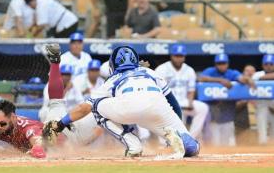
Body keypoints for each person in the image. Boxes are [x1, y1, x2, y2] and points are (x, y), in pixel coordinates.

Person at [43, 46, 199, 159]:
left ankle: (133, 143)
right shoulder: (151, 72)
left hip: (128, 111)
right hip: (159, 109)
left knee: (96, 106)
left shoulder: (112, 79)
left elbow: (84, 108)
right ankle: (182, 139)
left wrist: (61, 123)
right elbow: (173, 103)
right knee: (192, 148)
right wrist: (178, 127)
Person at [198, 53, 255, 146]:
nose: (221, 65)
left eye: (223, 63)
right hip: (214, 119)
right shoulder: (210, 71)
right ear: (215, 64)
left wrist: (248, 79)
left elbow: (241, 78)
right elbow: (201, 78)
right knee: (215, 146)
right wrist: (220, 80)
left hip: (228, 118)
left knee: (228, 147)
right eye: (219, 63)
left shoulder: (231, 73)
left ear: (227, 63)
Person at [155, 44, 209, 140]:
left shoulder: (189, 70)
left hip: (183, 101)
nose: (179, 58)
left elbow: (191, 90)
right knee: (170, 125)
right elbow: (157, 90)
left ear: (184, 57)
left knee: (203, 108)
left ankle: (190, 138)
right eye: (176, 56)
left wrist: (190, 103)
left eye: (181, 56)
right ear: (171, 56)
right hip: (167, 104)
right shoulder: (162, 69)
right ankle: (163, 143)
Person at [252, 54, 274, 144]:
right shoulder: (257, 74)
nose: (268, 66)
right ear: (263, 65)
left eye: (271, 64)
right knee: (262, 132)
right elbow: (256, 79)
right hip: (262, 106)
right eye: (266, 64)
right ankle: (263, 144)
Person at [235, 64, 256, 137]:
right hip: (243, 117)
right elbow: (235, 107)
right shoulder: (238, 85)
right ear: (243, 73)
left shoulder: (260, 81)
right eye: (247, 71)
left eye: (252, 71)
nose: (250, 73)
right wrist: (246, 100)